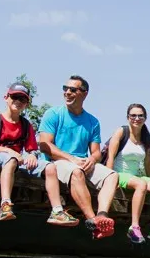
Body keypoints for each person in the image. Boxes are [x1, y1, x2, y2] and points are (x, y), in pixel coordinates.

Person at [0, 82, 77, 227]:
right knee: (11, 159)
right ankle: (5, 204)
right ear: (6, 97)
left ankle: (57, 211)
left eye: (22, 99)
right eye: (14, 97)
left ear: (26, 104)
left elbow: (32, 149)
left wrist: (31, 156)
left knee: (50, 167)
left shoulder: (25, 125)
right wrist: (8, 151)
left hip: (17, 160)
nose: (18, 101)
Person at [37, 75, 118, 239]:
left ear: (84, 93)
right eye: (65, 89)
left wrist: (92, 159)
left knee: (112, 175)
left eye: (72, 90)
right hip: (57, 161)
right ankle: (92, 220)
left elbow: (95, 151)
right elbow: (45, 145)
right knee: (76, 172)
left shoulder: (92, 121)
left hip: (82, 162)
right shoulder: (53, 114)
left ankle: (102, 215)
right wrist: (71, 159)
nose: (67, 92)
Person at [104, 103, 150, 245]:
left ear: (145, 118)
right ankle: (134, 227)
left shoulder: (146, 138)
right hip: (118, 174)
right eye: (133, 115)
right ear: (128, 117)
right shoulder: (121, 132)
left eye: (140, 115)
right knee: (141, 184)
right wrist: (109, 180)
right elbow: (110, 156)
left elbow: (148, 164)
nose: (137, 118)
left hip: (134, 177)